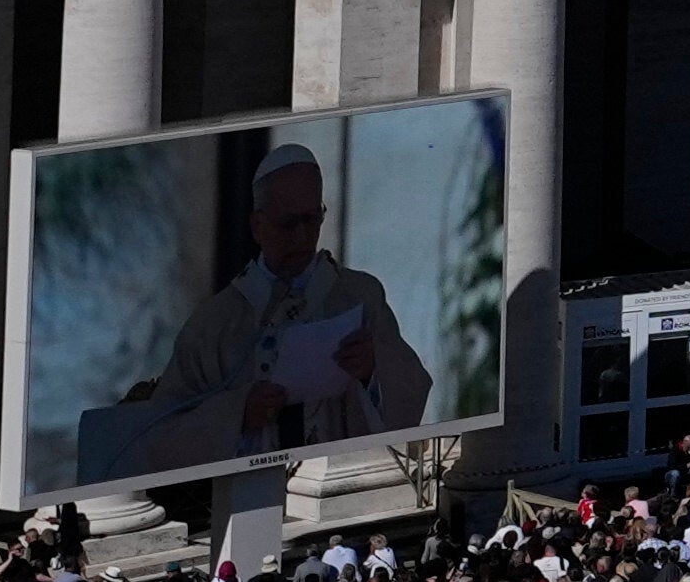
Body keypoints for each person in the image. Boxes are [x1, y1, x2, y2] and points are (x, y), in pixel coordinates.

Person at [74, 131, 437, 477]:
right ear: (257, 225)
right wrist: (237, 414)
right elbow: (163, 432)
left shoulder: (360, 294)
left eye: (311, 220)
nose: (301, 236)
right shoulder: (215, 323)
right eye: (287, 223)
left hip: (338, 486)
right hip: (242, 492)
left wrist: (373, 370)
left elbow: (412, 389)